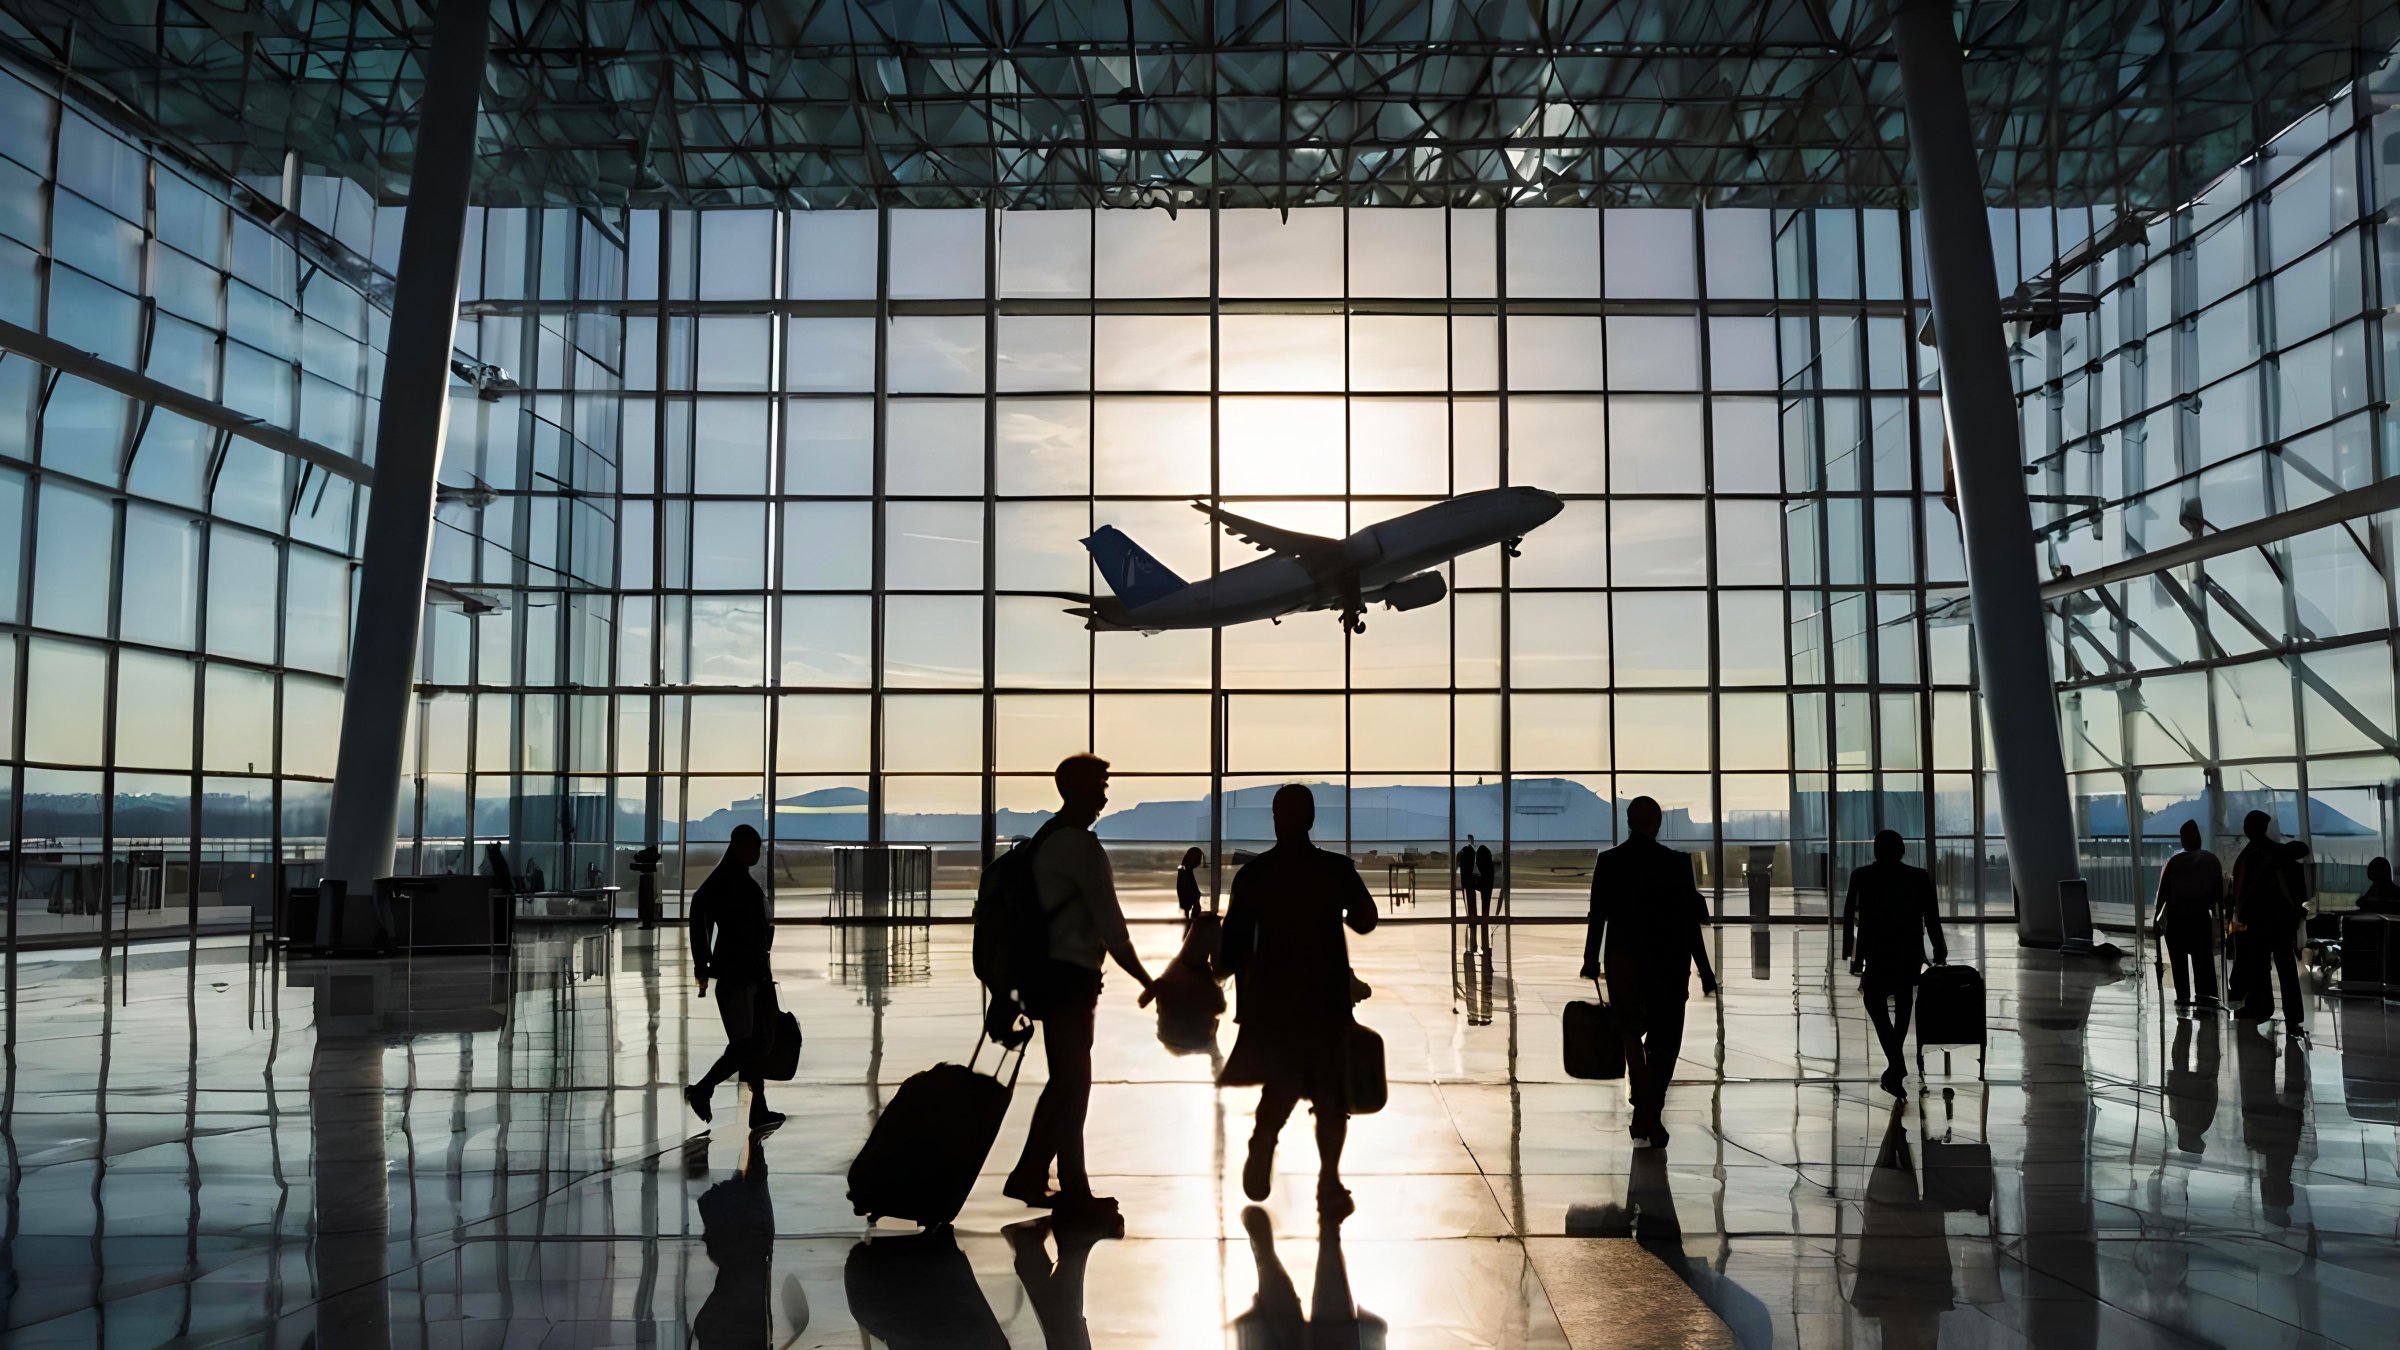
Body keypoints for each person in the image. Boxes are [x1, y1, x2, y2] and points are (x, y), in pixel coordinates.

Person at [1003, 754, 1159, 1217]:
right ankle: (1056, 1183)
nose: (1105, 796)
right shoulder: (1079, 847)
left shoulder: (1045, 841)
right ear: (1077, 790)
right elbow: (1110, 924)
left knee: (1068, 1083)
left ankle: (1047, 1177)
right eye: (1100, 786)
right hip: (1071, 978)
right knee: (1073, 1085)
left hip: (1051, 975)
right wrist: (1147, 979)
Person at [1219, 783, 1379, 1218]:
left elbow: (1231, 948)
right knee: (1331, 1094)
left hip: (1272, 1001)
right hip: (1325, 998)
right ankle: (1329, 1182)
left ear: (1275, 819)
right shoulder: (1335, 870)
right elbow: (1366, 920)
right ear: (1310, 820)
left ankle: (1263, 1139)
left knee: (1282, 1081)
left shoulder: (1253, 876)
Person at [1582, 796, 1717, 1147]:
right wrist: (1704, 969)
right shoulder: (1676, 863)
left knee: (1630, 1031)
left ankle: (1644, 1105)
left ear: (1629, 822)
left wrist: (1590, 959)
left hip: (1624, 961)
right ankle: (1649, 1110)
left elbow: (1598, 914)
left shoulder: (1609, 861)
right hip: (1668, 964)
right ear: (1657, 824)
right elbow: (1689, 923)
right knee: (1665, 1042)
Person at [686, 825, 785, 1131]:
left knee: (750, 1044)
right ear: (741, 847)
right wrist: (701, 961)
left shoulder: (732, 877)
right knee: (746, 1046)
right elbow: (699, 911)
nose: (756, 854)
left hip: (745, 973)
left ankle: (758, 1110)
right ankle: (703, 1089)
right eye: (753, 848)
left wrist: (704, 961)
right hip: (738, 975)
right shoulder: (728, 881)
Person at [1840, 830, 1947, 1098]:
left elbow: (1849, 914)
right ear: (1901, 851)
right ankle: (1895, 1066)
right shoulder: (1918, 877)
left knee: (1874, 1002)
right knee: (1902, 1004)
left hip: (1877, 951)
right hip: (1908, 951)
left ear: (1876, 851)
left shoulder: (1862, 875)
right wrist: (1939, 948)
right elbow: (1931, 917)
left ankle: (1896, 1064)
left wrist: (1851, 955)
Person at [2228, 810, 2309, 1031]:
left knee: (2260, 965)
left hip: (2259, 920)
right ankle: (2292, 1014)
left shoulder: (2254, 854)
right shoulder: (2274, 851)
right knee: (2282, 967)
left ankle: (2261, 1007)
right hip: (2278, 921)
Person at [2152, 820, 2226, 1009]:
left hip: (2177, 920)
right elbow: (2219, 895)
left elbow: (2163, 894)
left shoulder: (2175, 862)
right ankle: (2205, 998)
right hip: (2200, 919)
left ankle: (2183, 997)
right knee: (2203, 963)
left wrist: (2156, 918)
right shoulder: (2211, 861)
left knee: (2179, 964)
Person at [1176, 846, 1205, 918]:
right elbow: (1188, 888)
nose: (1199, 861)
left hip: (1189, 900)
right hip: (1190, 899)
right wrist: (1196, 899)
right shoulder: (1186, 871)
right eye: (1198, 858)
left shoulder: (1185, 869)